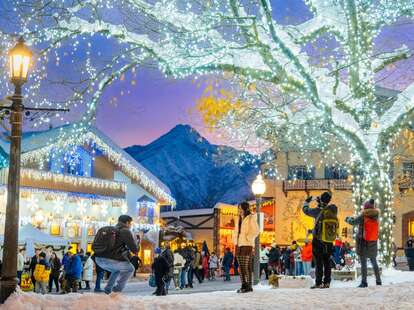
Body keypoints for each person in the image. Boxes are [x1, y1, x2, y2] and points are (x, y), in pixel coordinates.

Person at [93, 215, 138, 294]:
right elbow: (134, 250)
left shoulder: (111, 230)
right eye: (130, 223)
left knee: (116, 270)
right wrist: (137, 242)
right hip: (110, 260)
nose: (131, 225)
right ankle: (117, 290)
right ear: (127, 223)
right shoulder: (125, 231)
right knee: (130, 269)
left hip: (98, 259)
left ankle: (108, 290)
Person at [303, 191, 338, 289]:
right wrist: (321, 202)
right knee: (327, 261)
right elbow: (325, 206)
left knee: (319, 262)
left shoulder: (318, 210)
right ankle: (327, 282)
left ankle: (318, 282)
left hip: (318, 240)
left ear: (321, 200)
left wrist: (306, 202)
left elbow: (305, 210)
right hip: (329, 241)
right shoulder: (333, 211)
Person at [346, 199, 382, 288]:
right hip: (373, 241)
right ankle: (378, 280)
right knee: (374, 262)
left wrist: (348, 219)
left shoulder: (363, 215)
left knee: (363, 263)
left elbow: (353, 222)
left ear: (365, 208)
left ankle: (364, 282)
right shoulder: (376, 216)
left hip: (363, 242)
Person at [233, 201, 260, 293]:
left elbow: (256, 231)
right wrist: (235, 240)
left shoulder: (251, 218)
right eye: (238, 208)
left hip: (247, 244)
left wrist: (248, 237)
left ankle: (248, 286)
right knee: (241, 267)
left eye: (240, 208)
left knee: (246, 266)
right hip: (239, 244)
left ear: (245, 208)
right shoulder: (239, 218)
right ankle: (243, 285)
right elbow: (237, 231)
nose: (239, 210)